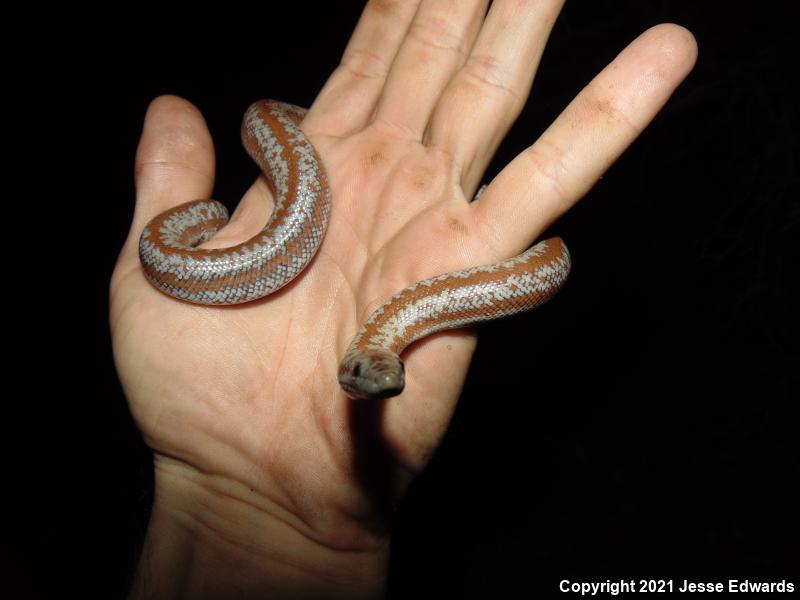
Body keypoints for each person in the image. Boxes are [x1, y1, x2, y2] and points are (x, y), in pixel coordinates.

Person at [111, 1, 696, 597]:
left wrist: (266, 520)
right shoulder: (368, 326)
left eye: (376, 374)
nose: (380, 384)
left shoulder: (384, 345)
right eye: (378, 374)